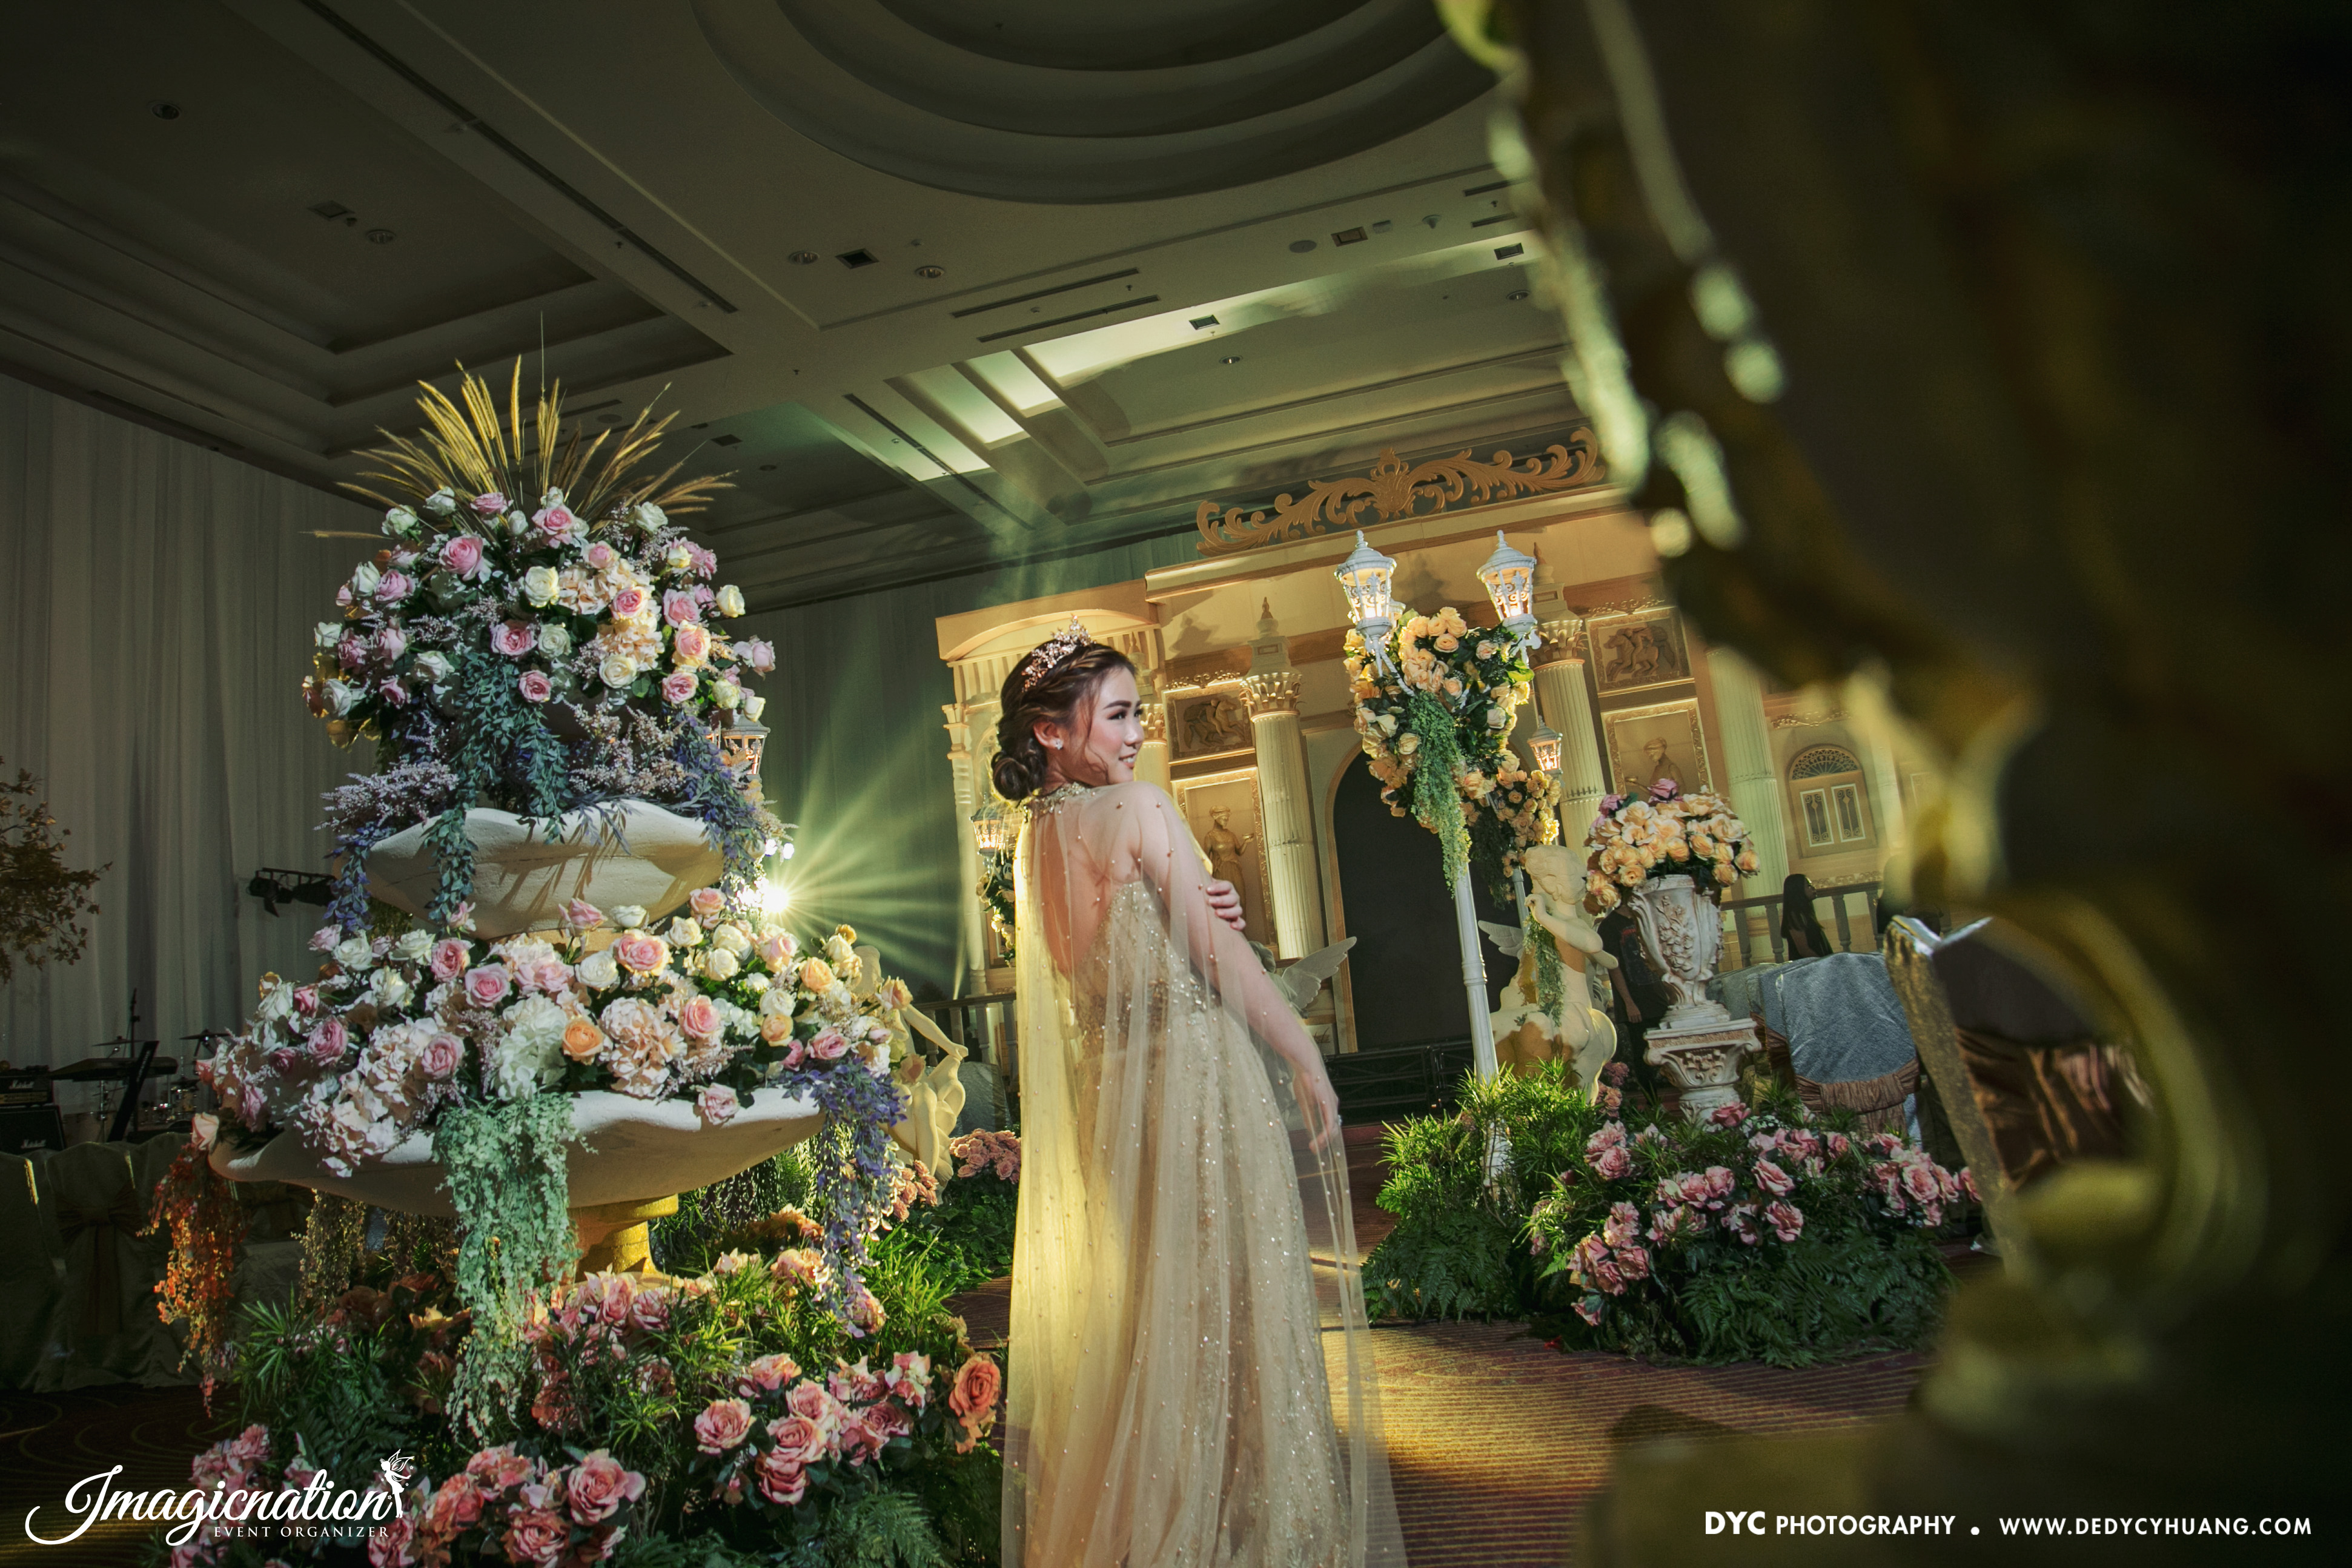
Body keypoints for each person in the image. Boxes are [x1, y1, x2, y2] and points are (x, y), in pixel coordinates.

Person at [992, 621, 1404, 1568]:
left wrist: (1202, 898)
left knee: (1148, 1310)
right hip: (1193, 1082)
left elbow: (1113, 955)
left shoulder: (1033, 840)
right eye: (1118, 714)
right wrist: (1303, 1053)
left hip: (1111, 1097)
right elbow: (1213, 960)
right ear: (1050, 731)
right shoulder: (1134, 807)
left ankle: (1163, 1520)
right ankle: (1237, 1527)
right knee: (1229, 1298)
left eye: (1137, 713)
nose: (1138, 733)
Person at [1780, 873, 1833, 959]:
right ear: (1798, 890)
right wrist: (1822, 963)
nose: (1813, 888)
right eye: (1809, 886)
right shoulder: (1795, 915)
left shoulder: (1806, 913)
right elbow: (1804, 950)